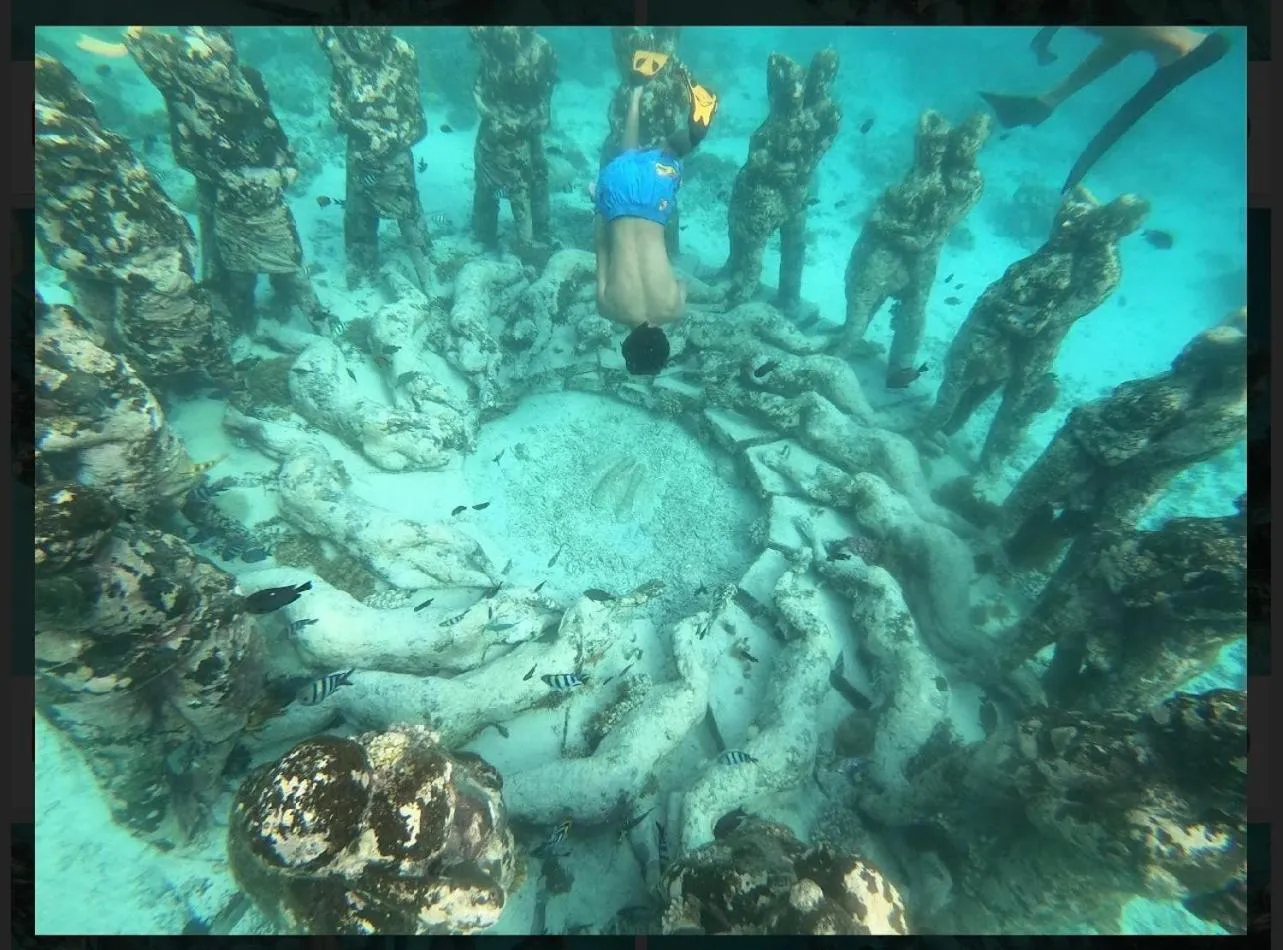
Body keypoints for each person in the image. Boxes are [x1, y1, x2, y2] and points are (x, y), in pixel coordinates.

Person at [979, 27, 1233, 192]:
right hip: (1177, 42)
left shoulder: (1140, 34)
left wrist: (1046, 38)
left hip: (1173, 41)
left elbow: (1122, 42)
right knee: (1133, 37)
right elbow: (1121, 43)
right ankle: (1044, 103)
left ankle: (1044, 104)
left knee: (1134, 36)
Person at [593, 50, 717, 375]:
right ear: (627, 346)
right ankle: (637, 89)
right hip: (615, 199)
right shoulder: (607, 308)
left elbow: (680, 283)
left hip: (653, 205)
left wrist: (673, 298)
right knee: (627, 154)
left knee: (671, 150)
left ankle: (696, 130)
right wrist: (599, 206)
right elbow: (602, 248)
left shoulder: (674, 309)